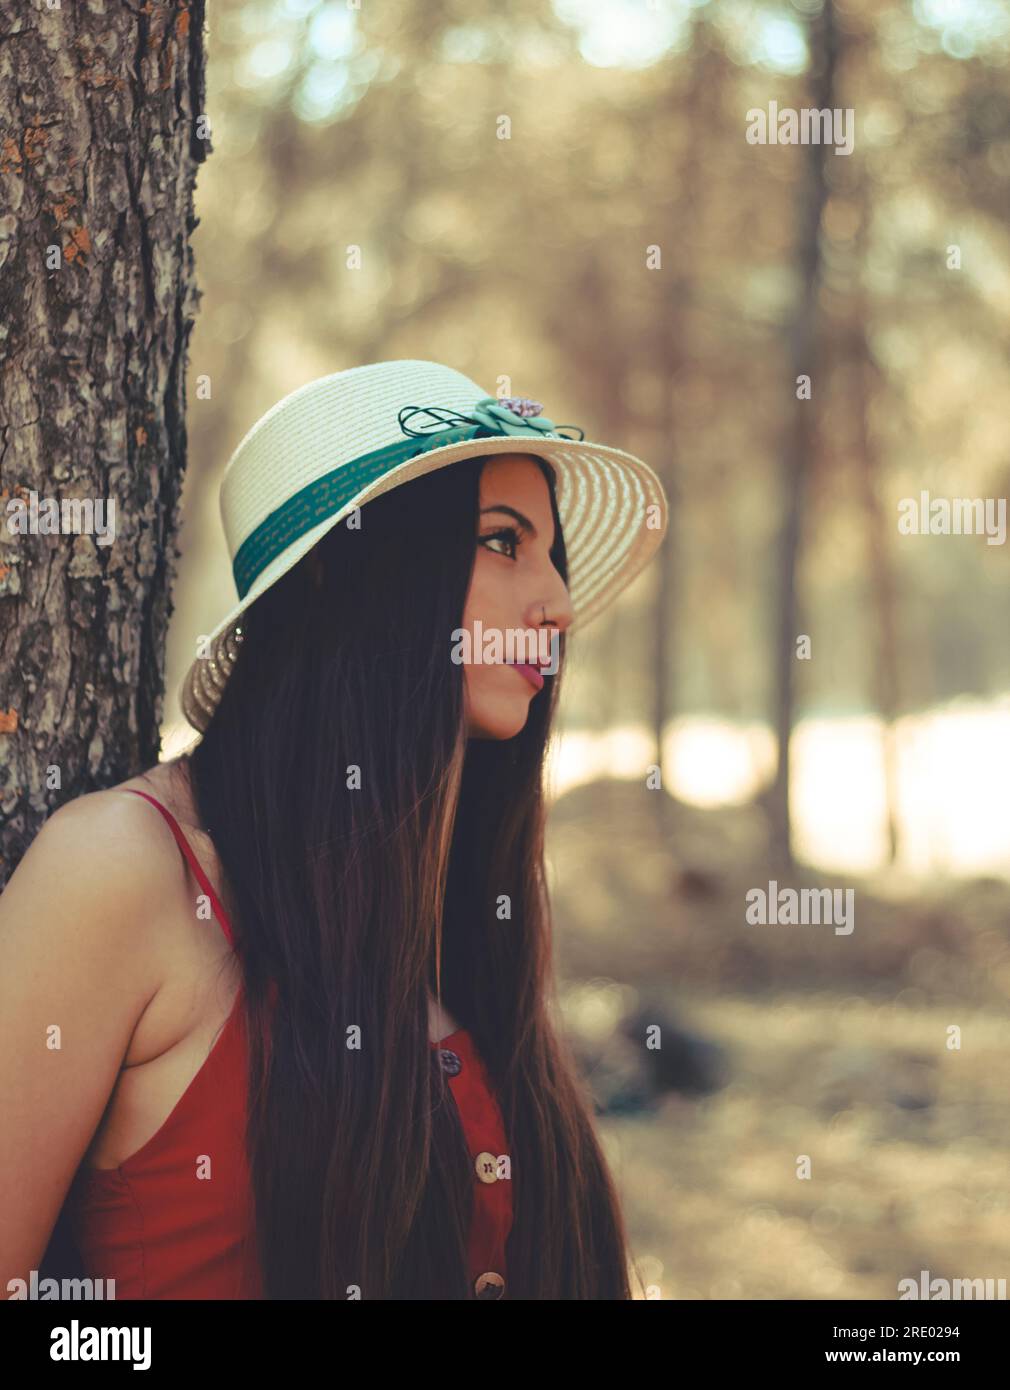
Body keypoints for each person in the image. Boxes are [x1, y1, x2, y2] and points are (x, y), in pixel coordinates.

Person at [0, 359, 668, 1300]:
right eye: (502, 541)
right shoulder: (125, 871)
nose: (557, 600)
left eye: (551, 553)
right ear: (355, 577)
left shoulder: (450, 909)